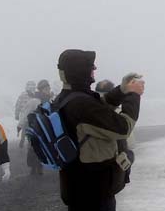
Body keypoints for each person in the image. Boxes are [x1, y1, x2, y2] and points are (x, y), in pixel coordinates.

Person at [55, 49, 144, 211]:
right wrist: (134, 95)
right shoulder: (82, 105)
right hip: (94, 192)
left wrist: (122, 90)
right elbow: (123, 128)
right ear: (79, 71)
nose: (94, 69)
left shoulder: (67, 97)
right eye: (90, 66)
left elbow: (99, 109)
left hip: (78, 185)